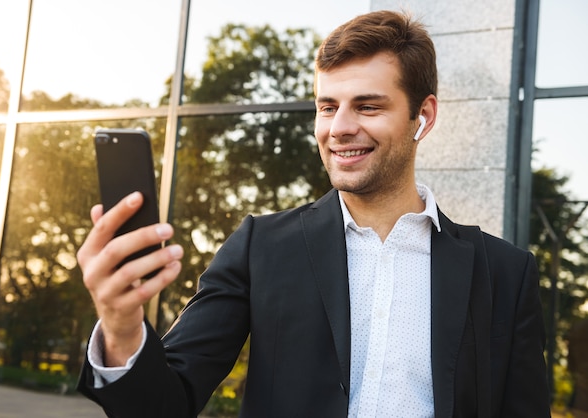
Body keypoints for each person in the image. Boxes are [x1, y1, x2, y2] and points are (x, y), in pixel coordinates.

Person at [76, 10, 550, 418]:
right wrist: (121, 327)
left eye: (367, 106)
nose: (340, 128)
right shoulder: (261, 245)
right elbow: (165, 406)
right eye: (328, 107)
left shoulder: (505, 274)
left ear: (422, 116)